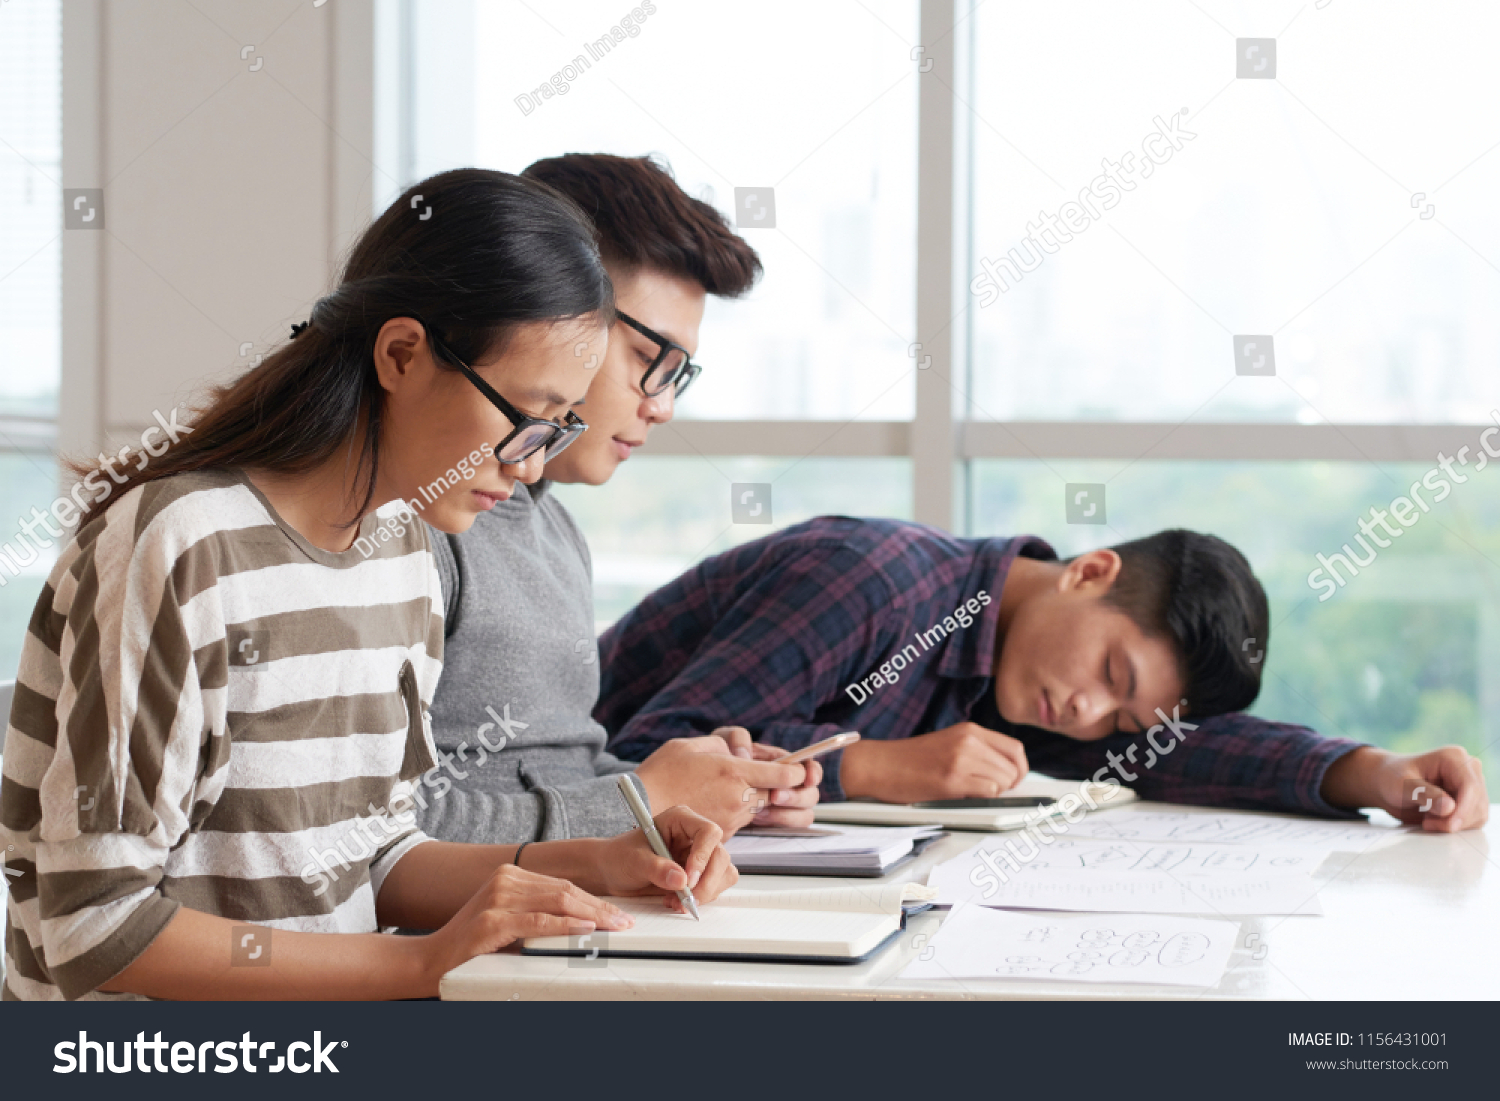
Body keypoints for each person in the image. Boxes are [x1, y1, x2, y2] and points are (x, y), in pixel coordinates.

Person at [0, 168, 736, 1002]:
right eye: (525, 417)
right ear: (401, 354)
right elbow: (93, 924)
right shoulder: (179, 547)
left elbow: (373, 855)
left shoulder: (400, 553)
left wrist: (595, 861)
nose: (531, 462)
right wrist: (415, 965)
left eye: (557, 426)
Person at [596, 518, 1489, 832]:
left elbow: (1189, 753)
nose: (1088, 712)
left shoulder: (1028, 682)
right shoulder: (872, 579)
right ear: (1090, 571)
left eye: (1121, 716)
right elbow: (643, 757)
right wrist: (876, 769)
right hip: (526, 824)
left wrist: (1373, 773)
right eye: (1110, 669)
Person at [415, 154, 818, 847]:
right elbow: (385, 835)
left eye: (677, 375)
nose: (660, 407)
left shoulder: (556, 530)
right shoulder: (423, 521)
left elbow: (561, 774)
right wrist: (645, 796)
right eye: (647, 358)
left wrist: (712, 791)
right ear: (555, 307)